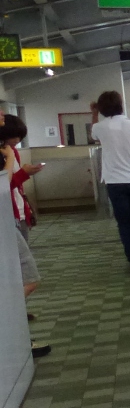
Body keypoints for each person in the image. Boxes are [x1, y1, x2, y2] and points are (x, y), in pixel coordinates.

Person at [90, 92, 130, 272]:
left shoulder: (99, 127)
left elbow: (93, 135)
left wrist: (94, 113)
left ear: (101, 108)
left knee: (124, 221)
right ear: (121, 105)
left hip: (114, 182)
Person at [1, 133, 50, 357]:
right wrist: (12, 160)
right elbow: (4, 186)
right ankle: (12, 328)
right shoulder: (7, 153)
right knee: (28, 278)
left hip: (10, 218)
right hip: (5, 221)